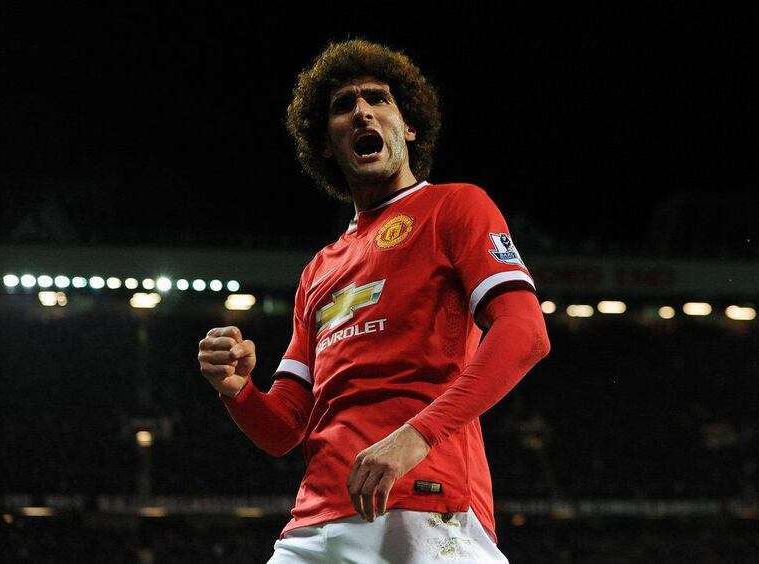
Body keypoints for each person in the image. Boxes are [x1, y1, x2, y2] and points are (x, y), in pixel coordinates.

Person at [197, 39, 550, 563]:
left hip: (427, 507)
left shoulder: (455, 207)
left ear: (408, 127)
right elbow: (284, 429)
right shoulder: (320, 269)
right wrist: (238, 390)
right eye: (344, 105)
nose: (362, 110)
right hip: (312, 528)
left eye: (378, 98)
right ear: (325, 143)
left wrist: (415, 436)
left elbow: (525, 333)